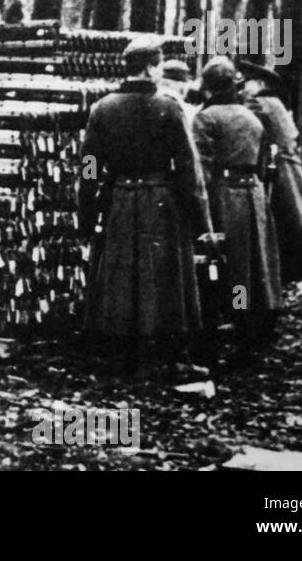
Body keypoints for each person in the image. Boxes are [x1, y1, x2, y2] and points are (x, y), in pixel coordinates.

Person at [76, 36, 212, 369]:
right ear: (151, 68)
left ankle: (117, 347)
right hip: (161, 201)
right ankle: (161, 347)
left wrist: (86, 213)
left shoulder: (102, 109)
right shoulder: (169, 107)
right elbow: (187, 168)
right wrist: (199, 220)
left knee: (121, 273)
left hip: (120, 199)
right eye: (159, 67)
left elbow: (89, 167)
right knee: (161, 275)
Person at [191, 57, 282, 344]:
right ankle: (259, 317)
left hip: (224, 196)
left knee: (228, 264)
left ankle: (229, 318)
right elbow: (267, 163)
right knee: (256, 264)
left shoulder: (205, 118)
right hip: (253, 194)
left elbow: (200, 171)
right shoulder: (252, 116)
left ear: (207, 87)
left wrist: (198, 210)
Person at [238, 60, 302, 282]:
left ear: (260, 83)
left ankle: (290, 271)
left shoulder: (261, 103)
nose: (243, 87)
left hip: (281, 169)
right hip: (288, 164)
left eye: (247, 83)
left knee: (285, 220)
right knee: (292, 219)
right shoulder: (274, 103)